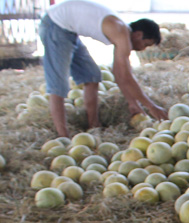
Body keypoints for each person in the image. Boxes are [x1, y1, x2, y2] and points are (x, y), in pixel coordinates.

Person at [39, 0, 167, 138]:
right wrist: (151, 106)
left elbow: (119, 74)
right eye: (145, 44)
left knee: (92, 76)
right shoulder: (120, 32)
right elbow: (126, 77)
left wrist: (133, 103)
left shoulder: (120, 33)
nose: (143, 49)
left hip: (68, 29)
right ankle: (63, 137)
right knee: (58, 85)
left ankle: (94, 126)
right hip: (55, 25)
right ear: (138, 35)